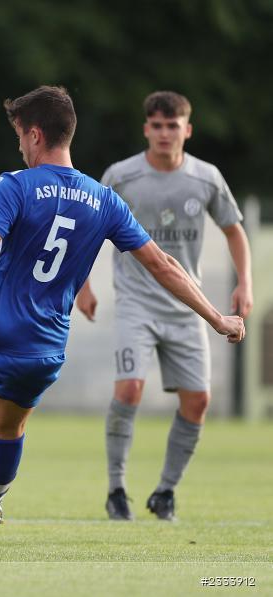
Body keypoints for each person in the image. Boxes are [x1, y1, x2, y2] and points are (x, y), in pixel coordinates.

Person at [0, 86, 244, 560]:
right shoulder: (104, 200)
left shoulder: (15, 185)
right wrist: (216, 316)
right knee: (6, 429)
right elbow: (163, 264)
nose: (20, 146)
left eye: (21, 136)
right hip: (46, 350)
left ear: (35, 135)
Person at [75, 91, 253, 521]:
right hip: (136, 302)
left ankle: (165, 492)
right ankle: (117, 490)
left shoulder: (206, 179)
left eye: (172, 126)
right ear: (145, 130)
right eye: (156, 125)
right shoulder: (121, 176)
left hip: (186, 307)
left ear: (187, 130)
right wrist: (82, 284)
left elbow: (233, 231)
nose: (163, 133)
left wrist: (245, 281)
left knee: (198, 403)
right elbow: (87, 230)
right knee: (129, 388)